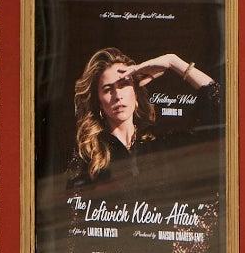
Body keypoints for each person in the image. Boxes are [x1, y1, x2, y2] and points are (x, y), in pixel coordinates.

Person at [68, 45, 216, 185]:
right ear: (99, 101)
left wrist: (173, 61)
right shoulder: (88, 155)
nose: (117, 95)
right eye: (108, 89)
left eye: (123, 84)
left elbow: (219, 108)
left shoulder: (160, 142)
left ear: (136, 93)